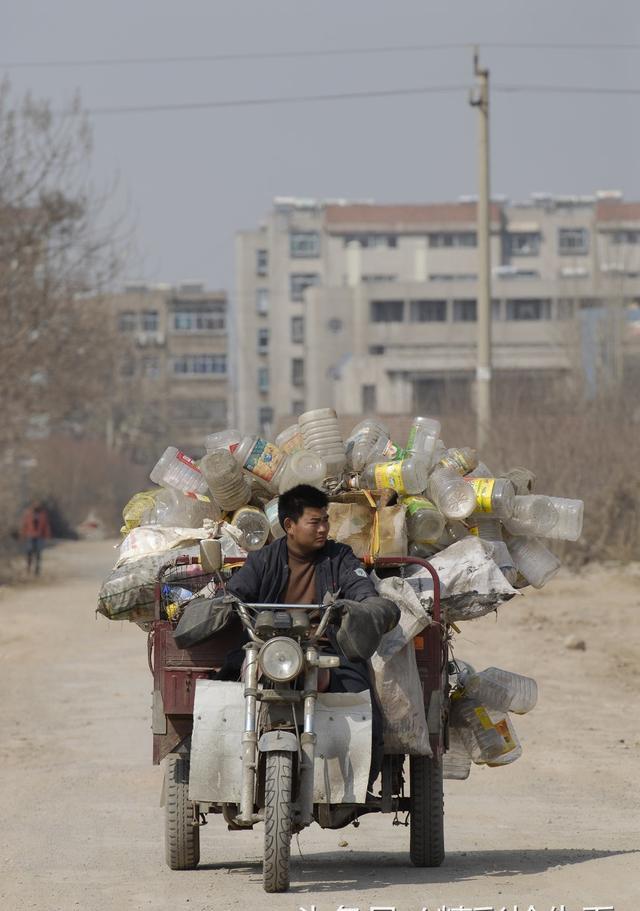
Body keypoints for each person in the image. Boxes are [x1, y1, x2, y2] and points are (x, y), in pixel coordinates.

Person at [226, 483, 399, 794]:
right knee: (222, 688)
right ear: (289, 526)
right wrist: (220, 603)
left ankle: (359, 780)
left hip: (327, 646)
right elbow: (237, 591)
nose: (323, 528)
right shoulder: (262, 559)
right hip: (272, 649)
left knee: (362, 700)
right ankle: (229, 777)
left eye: (326, 521)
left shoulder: (340, 557)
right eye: (314, 521)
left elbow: (361, 590)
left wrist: (368, 605)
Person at [20, 500, 52, 576]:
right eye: (35, 505)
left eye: (38, 505)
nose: (36, 506)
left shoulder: (43, 514)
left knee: (38, 553)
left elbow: (46, 526)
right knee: (29, 552)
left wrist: (47, 535)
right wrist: (23, 534)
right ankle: (28, 568)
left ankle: (37, 569)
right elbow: (24, 524)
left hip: (39, 536)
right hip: (30, 535)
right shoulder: (28, 513)